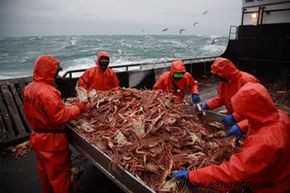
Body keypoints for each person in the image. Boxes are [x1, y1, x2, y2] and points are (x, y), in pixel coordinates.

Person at [173, 82, 290, 193]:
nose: (240, 115)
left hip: (269, 187)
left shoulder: (265, 142)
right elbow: (263, 119)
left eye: (244, 113)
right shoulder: (281, 116)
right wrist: (241, 126)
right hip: (281, 174)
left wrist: (193, 176)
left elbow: (233, 174)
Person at [23, 55, 87, 193]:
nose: (57, 75)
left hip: (38, 138)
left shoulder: (29, 88)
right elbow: (61, 116)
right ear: (48, 72)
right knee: (60, 178)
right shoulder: (48, 93)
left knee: (45, 175)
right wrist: (79, 107)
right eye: (56, 72)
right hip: (53, 141)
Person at [200, 57, 259, 140]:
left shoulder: (248, 80)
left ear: (225, 72)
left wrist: (235, 117)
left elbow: (256, 108)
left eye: (218, 74)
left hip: (249, 121)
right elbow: (221, 98)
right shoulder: (224, 82)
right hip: (232, 118)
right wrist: (207, 105)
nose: (217, 77)